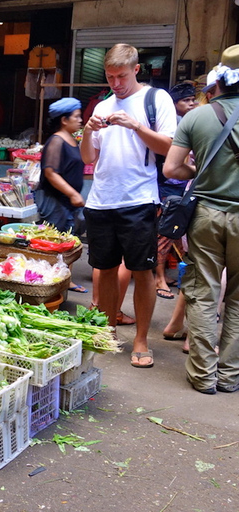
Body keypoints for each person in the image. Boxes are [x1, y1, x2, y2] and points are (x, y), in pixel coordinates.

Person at [80, 43, 177, 369]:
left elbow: (169, 147)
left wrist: (136, 125)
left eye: (121, 76)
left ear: (136, 70)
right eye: (110, 77)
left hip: (138, 199)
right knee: (105, 268)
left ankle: (140, 339)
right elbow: (88, 158)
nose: (116, 83)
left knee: (142, 270)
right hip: (101, 200)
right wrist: (87, 132)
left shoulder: (155, 99)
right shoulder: (102, 105)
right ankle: (108, 330)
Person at [162, 44, 239, 394]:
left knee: (203, 293)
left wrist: (198, 168)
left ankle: (203, 376)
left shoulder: (198, 116)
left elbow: (172, 168)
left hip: (206, 215)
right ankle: (230, 376)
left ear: (218, 78)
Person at [37, 97, 87, 293]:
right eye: (76, 116)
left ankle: (65, 279)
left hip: (67, 201)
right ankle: (49, 283)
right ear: (64, 120)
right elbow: (50, 172)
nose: (80, 120)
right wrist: (73, 193)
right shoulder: (56, 141)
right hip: (55, 201)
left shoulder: (71, 139)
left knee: (68, 240)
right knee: (54, 242)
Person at [154, 83, 196, 300]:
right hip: (169, 187)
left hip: (181, 187)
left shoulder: (190, 121)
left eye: (192, 100)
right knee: (166, 234)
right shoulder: (176, 124)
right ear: (174, 104)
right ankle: (159, 278)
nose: (191, 104)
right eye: (186, 101)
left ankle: (164, 275)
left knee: (174, 235)